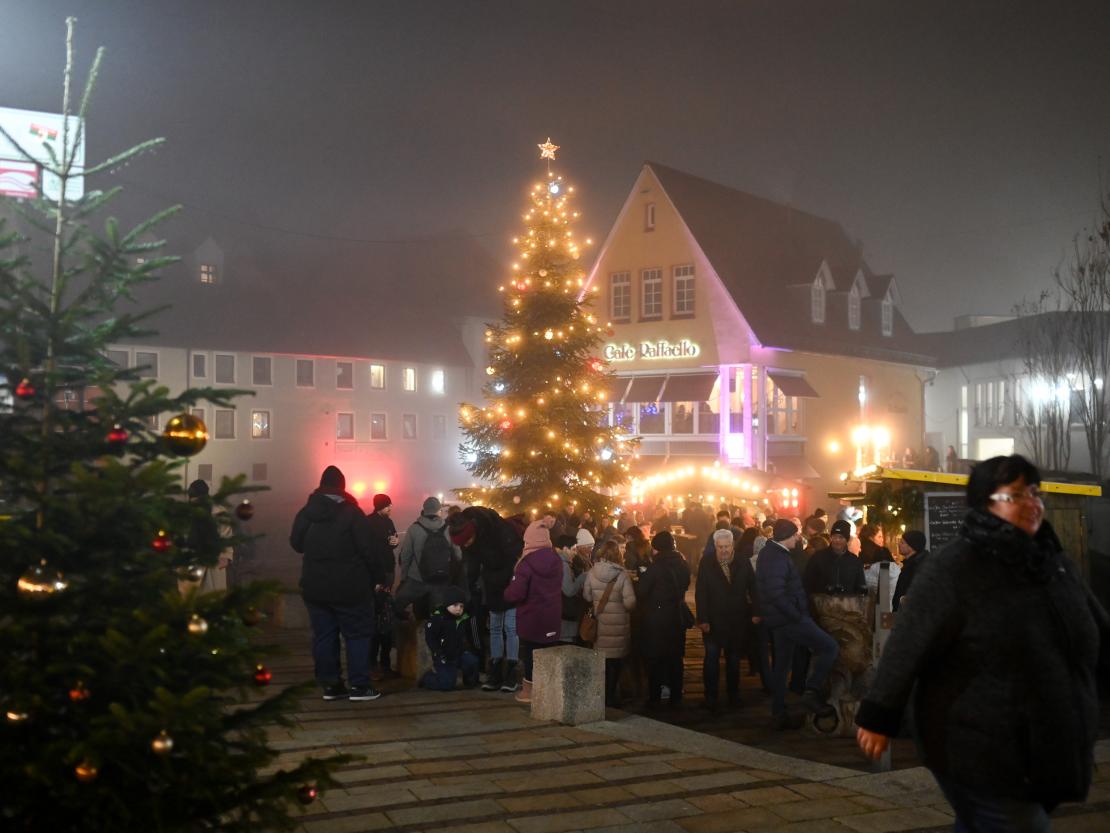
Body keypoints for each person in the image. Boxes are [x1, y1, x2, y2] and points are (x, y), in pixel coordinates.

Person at [857, 455, 1109, 831]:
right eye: (1015, 496)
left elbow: (1095, 629)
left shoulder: (1052, 562)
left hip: (1043, 743)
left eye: (1034, 493)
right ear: (983, 504)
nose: (1031, 503)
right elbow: (909, 641)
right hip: (978, 742)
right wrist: (879, 716)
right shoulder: (956, 565)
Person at [290, 466, 382, 702]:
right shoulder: (352, 513)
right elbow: (369, 551)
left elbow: (296, 544)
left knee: (324, 635)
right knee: (357, 634)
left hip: (315, 587)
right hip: (350, 587)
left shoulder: (307, 513)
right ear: (342, 486)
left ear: (321, 485)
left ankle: (331, 686)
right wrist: (378, 578)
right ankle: (360, 686)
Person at [756, 519, 839, 729]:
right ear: (787, 536)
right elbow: (776, 593)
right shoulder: (777, 557)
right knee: (830, 647)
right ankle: (811, 691)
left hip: (780, 619)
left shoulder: (773, 553)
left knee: (782, 665)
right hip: (789, 619)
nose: (798, 538)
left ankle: (779, 712)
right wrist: (797, 615)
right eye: (795, 534)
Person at [448, 505, 523, 692]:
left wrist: (507, 582)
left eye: (466, 542)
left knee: (511, 628)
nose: (465, 546)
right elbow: (471, 565)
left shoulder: (499, 529)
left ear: (472, 532)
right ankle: (495, 669)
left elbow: (515, 558)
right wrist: (469, 588)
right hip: (492, 584)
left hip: (510, 582)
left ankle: (512, 671)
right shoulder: (471, 539)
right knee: (495, 627)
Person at [696, 528, 759, 711]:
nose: (724, 550)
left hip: (736, 618)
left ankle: (733, 695)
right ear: (715, 546)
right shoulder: (707, 562)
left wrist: (757, 611)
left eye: (727, 546)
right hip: (713, 619)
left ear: (732, 545)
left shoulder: (743, 561)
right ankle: (711, 697)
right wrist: (703, 618)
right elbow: (701, 592)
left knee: (733, 660)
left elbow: (753, 587)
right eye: (720, 547)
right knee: (711, 659)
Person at [503, 520, 563, 704]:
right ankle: (548, 692)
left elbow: (516, 593)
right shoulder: (557, 559)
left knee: (530, 655)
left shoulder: (526, 563)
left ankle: (530, 692)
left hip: (532, 618)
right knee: (549, 654)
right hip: (552, 617)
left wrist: (506, 593)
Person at [637, 531, 691, 708]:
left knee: (656, 658)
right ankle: (676, 696)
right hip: (677, 615)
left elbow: (642, 591)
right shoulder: (682, 563)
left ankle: (655, 697)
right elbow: (686, 583)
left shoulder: (655, 567)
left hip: (657, 617)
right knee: (675, 658)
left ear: (657, 548)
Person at [582, 538, 636, 706]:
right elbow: (630, 602)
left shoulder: (592, 572)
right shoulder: (622, 575)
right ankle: (611, 696)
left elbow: (587, 596)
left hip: (600, 625)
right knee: (616, 662)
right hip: (618, 625)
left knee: (603, 662)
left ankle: (601, 695)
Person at [395, 496, 465, 620]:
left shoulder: (414, 528)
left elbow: (406, 555)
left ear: (424, 510)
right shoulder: (448, 528)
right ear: (439, 511)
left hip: (417, 578)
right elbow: (458, 554)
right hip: (441, 579)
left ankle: (414, 625)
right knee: (437, 614)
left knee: (402, 603)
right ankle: (435, 628)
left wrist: (404, 578)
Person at [420, 587, 480, 690]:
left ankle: (470, 681)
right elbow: (430, 638)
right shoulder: (438, 618)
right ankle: (427, 679)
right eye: (455, 605)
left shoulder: (463, 618)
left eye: (461, 606)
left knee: (472, 661)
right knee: (446, 685)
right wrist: (438, 652)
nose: (459, 609)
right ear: (447, 604)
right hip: (445, 657)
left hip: (459, 654)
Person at [366, 493, 399, 678]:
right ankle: (372, 661)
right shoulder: (368, 522)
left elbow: (393, 539)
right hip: (375, 573)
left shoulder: (389, 522)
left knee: (386, 613)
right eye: (388, 505)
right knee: (375, 617)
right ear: (380, 506)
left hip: (388, 570)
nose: (390, 508)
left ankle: (384, 662)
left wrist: (395, 542)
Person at [184, 479, 233, 593]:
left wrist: (225, 556)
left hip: (214, 560)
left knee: (213, 594)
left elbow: (226, 534)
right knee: (191, 594)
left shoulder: (218, 512)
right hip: (192, 560)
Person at [804, 519, 867, 596]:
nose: (837, 540)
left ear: (847, 539)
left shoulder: (855, 561)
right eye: (834, 536)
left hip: (847, 602)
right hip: (822, 602)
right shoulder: (818, 557)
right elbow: (807, 583)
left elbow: (860, 587)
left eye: (841, 537)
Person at [555, 533, 589, 643]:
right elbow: (569, 591)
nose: (575, 553)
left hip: (559, 611)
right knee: (565, 642)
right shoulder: (563, 565)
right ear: (565, 549)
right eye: (573, 549)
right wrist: (582, 577)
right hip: (564, 613)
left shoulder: (557, 561)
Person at [892, 529, 927, 612]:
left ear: (912, 546)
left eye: (902, 542)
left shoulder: (917, 566)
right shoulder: (910, 564)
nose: (898, 544)